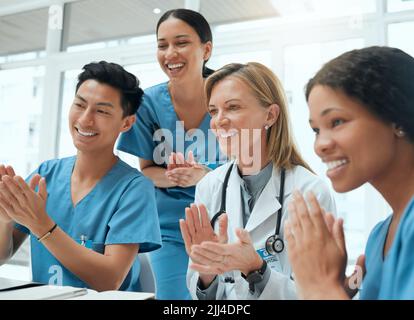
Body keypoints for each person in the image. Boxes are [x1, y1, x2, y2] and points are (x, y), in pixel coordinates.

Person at [0, 61, 161, 292]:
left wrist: (42, 225)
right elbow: (2, 256)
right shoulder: (46, 174)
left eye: (102, 111)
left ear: (126, 122)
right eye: (80, 104)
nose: (85, 119)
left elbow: (110, 280)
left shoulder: (134, 189)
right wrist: (4, 220)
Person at [180, 62, 336, 300]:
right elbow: (202, 295)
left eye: (232, 107)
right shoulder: (209, 186)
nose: (219, 121)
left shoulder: (309, 192)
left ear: (270, 115)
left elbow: (319, 295)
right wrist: (207, 274)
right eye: (213, 111)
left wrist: (257, 269)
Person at [284, 46, 414, 299]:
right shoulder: (379, 237)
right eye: (316, 130)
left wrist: (321, 288)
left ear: (397, 118)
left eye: (337, 122)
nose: (320, 145)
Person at [117, 9, 224, 299]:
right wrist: (176, 177)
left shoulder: (230, 97)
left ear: (206, 49)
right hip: (170, 228)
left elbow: (251, 167)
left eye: (181, 43)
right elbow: (148, 169)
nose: (170, 53)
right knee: (175, 300)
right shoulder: (148, 103)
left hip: (227, 221)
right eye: (162, 45)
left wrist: (204, 176)